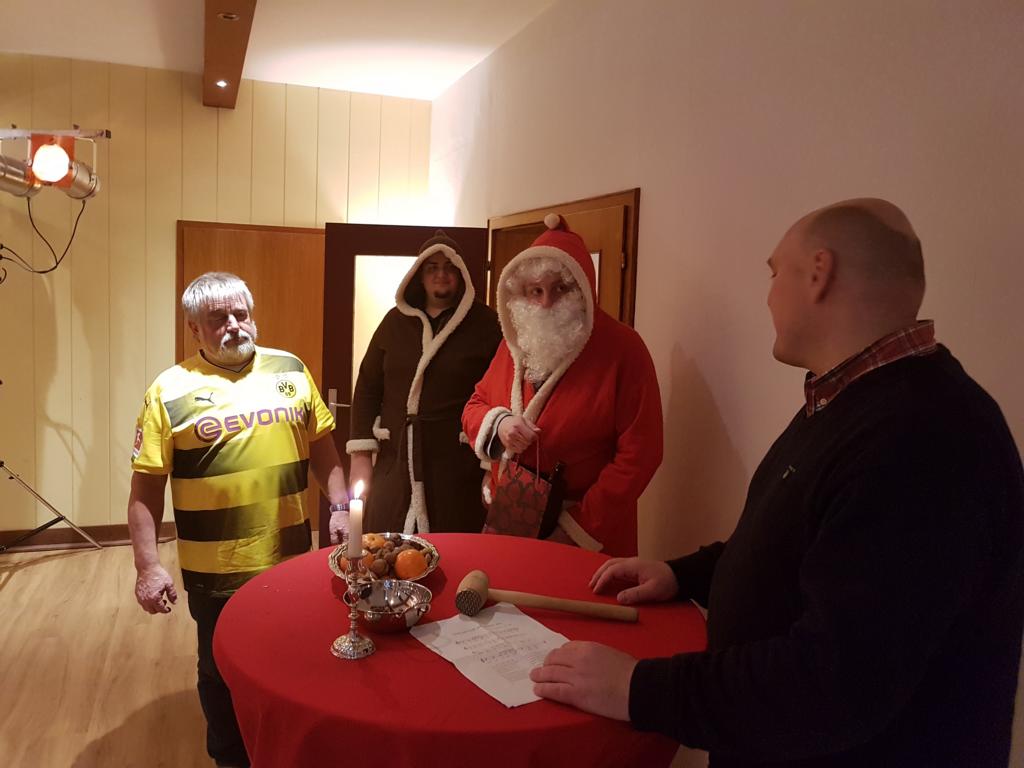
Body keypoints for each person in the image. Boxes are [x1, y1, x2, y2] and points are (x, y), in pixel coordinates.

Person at [529, 199, 1024, 767]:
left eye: (773, 272)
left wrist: (638, 688)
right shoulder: (852, 400)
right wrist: (686, 574)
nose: (767, 296)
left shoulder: (925, 436)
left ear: (819, 273)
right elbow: (801, 544)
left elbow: (834, 684)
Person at [127, 272, 348, 768]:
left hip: (292, 561)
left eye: (240, 314)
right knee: (220, 670)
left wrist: (338, 508)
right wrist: (147, 566)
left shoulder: (291, 370)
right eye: (217, 318)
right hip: (217, 571)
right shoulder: (169, 390)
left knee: (294, 657)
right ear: (194, 328)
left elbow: (323, 449)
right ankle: (231, 758)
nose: (233, 325)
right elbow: (146, 488)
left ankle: (289, 746)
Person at [462, 214, 663, 556]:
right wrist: (500, 424)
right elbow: (474, 406)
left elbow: (641, 455)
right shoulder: (515, 344)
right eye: (535, 291)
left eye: (560, 288)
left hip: (589, 533)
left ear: (582, 288)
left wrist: (575, 530)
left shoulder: (624, 349)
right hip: (513, 519)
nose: (545, 303)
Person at [344, 230, 501, 538]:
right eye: (432, 267)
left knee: (453, 545)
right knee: (388, 545)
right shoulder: (393, 323)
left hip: (456, 465)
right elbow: (367, 388)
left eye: (449, 267)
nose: (441, 274)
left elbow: (498, 394)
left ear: (461, 273)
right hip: (395, 462)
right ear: (418, 274)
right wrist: (360, 456)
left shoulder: (485, 325)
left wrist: (489, 467)